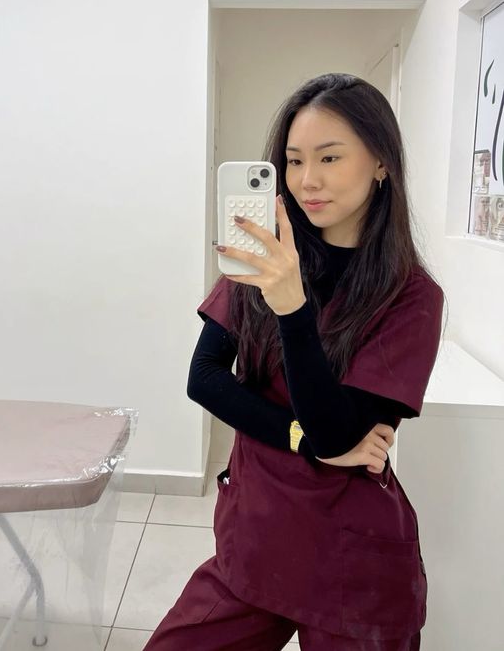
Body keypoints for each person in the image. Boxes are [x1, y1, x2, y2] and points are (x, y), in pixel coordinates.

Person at [143, 72, 447, 650]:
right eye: (294, 160)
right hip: (257, 535)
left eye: (330, 157)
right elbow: (204, 378)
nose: (308, 180)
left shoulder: (410, 297)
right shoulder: (266, 260)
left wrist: (292, 308)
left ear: (381, 163)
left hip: (352, 561)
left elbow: (339, 432)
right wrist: (300, 438)